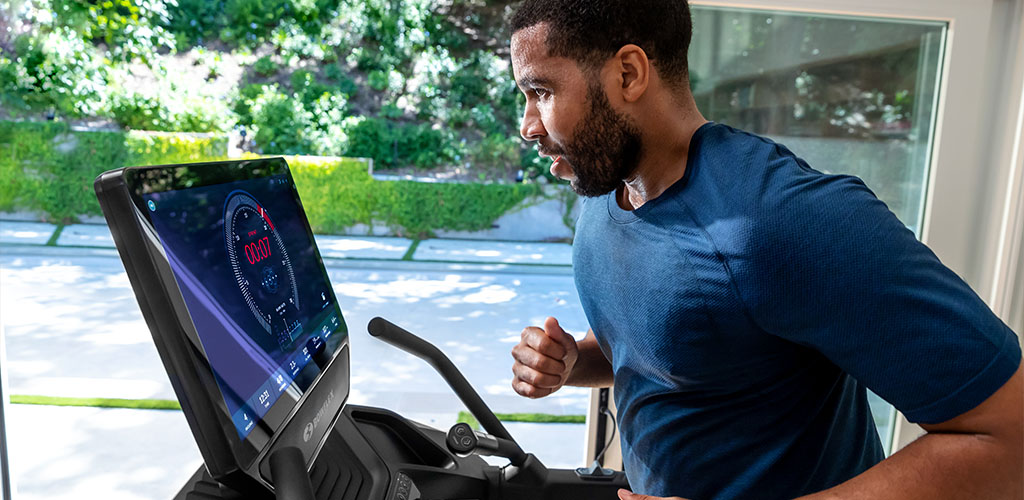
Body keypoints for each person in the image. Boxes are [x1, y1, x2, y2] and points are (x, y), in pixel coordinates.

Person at [505, 1, 1024, 499]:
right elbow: (674, 348)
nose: (527, 125)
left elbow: (1009, 438)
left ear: (628, 75)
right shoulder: (608, 190)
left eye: (541, 91)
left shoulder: (786, 221)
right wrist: (573, 362)